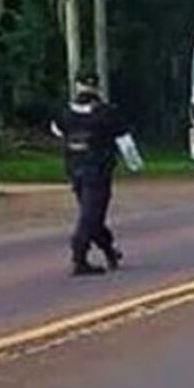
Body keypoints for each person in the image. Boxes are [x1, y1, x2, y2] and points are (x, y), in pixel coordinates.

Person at [54, 72, 130, 276]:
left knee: (91, 214)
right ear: (97, 87)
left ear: (77, 86)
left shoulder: (65, 113)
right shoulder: (106, 113)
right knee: (91, 215)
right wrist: (135, 165)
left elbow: (57, 130)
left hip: (75, 170)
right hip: (98, 172)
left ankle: (109, 251)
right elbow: (124, 138)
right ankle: (79, 256)